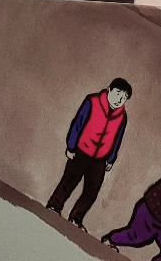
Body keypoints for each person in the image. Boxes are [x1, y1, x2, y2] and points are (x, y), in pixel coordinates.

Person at [46, 78, 131, 230]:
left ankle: (76, 218)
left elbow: (118, 138)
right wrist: (71, 146)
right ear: (109, 89)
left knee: (92, 191)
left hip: (100, 159)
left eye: (124, 97)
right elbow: (78, 123)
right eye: (118, 93)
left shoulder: (123, 117)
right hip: (81, 151)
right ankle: (54, 206)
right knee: (68, 181)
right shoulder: (92, 101)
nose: (120, 99)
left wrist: (111, 159)